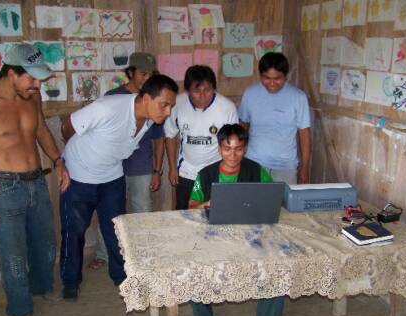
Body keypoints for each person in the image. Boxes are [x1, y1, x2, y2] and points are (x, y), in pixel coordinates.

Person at [0, 43, 70, 316]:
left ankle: (42, 287)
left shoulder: (31, 96)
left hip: (36, 180)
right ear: (11, 73)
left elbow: (41, 131)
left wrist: (58, 160)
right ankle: (20, 310)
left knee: (46, 244)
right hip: (5, 187)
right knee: (13, 255)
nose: (37, 86)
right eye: (32, 79)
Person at [60, 74, 178, 301]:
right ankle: (70, 283)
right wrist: (66, 160)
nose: (168, 112)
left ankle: (120, 276)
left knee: (117, 231)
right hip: (78, 178)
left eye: (171, 106)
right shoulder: (108, 108)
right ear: (145, 98)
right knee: (73, 232)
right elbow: (68, 126)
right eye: (164, 105)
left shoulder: (151, 119)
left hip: (112, 178)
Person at [187, 124, 283, 316]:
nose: (233, 154)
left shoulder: (256, 170)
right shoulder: (206, 173)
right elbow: (191, 207)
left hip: (252, 236)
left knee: (277, 271)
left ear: (246, 148)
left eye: (239, 149)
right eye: (227, 148)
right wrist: (207, 203)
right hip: (214, 236)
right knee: (192, 270)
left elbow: (272, 200)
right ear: (219, 148)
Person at [88, 52, 165, 270]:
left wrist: (157, 170)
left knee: (142, 211)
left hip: (142, 167)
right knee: (110, 212)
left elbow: (158, 140)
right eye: (143, 73)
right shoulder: (113, 96)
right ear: (130, 72)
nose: (147, 78)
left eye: (151, 74)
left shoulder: (153, 99)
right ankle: (104, 254)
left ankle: (145, 254)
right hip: (112, 167)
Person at [164, 65, 238, 210]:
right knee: (183, 213)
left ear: (214, 88)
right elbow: (170, 135)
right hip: (186, 172)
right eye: (196, 91)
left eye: (208, 90)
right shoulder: (177, 105)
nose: (202, 96)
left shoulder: (227, 107)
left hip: (215, 172)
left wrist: (230, 172)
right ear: (187, 90)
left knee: (215, 213)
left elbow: (233, 143)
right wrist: (172, 168)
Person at [239, 52, 311, 185]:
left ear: (286, 76)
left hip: (286, 167)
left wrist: (305, 168)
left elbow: (304, 134)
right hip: (254, 163)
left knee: (283, 205)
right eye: (267, 78)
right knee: (253, 204)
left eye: (277, 78)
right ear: (260, 75)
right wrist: (239, 156)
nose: (272, 83)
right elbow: (243, 126)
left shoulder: (298, 97)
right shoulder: (250, 93)